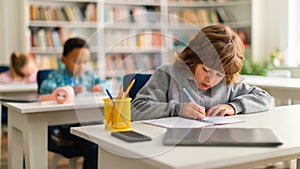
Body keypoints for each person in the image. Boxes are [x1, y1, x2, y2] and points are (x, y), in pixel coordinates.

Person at [131, 24, 272, 121]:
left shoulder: (228, 81)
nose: (210, 80)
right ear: (193, 58)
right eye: (206, 70)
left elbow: (265, 99)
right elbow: (136, 110)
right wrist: (177, 109)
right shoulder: (168, 74)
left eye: (219, 75)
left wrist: (233, 107)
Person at [39, 37, 102, 169]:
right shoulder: (56, 76)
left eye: (85, 62)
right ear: (64, 60)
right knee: (94, 148)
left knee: (107, 143)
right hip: (67, 127)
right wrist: (68, 90)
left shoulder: (89, 76)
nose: (82, 66)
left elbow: (103, 84)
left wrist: (99, 88)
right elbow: (44, 89)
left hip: (89, 123)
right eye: (77, 62)